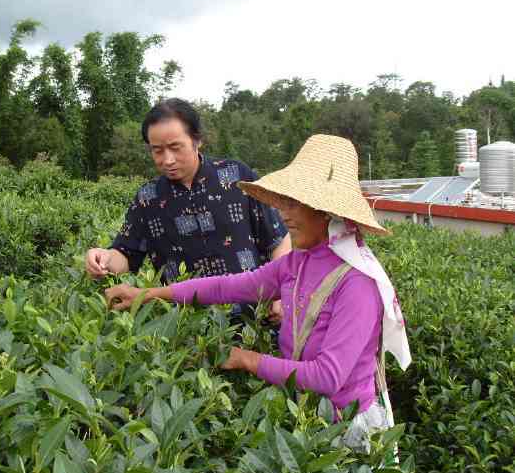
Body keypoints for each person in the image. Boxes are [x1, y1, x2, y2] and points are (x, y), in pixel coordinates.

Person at [105, 134, 412, 452]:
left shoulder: (356, 283)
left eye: (294, 204)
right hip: (309, 421)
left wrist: (248, 360)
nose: (284, 214)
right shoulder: (296, 262)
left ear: (326, 212)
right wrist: (149, 294)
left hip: (351, 436)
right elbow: (227, 286)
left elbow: (327, 376)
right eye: (285, 202)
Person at [85, 98, 291, 320]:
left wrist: (281, 292)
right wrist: (103, 258)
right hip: (186, 328)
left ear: (197, 140)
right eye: (157, 151)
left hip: (255, 319)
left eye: (175, 147)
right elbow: (125, 255)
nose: (167, 160)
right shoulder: (148, 197)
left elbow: (278, 239)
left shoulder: (237, 176)